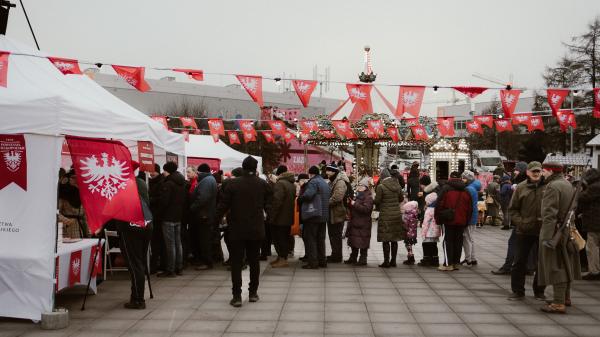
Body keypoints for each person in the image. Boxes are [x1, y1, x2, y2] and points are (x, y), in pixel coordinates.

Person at [216, 156, 272, 307]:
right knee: (254, 261)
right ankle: (253, 293)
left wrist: (216, 219)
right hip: (256, 228)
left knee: (236, 262)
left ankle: (237, 296)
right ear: (255, 168)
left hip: (236, 229)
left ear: (243, 167)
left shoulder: (232, 184)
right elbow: (270, 205)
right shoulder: (262, 184)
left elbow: (223, 206)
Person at [538, 162, 581, 313]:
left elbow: (549, 213)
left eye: (543, 171)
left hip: (555, 232)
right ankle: (565, 297)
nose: (542, 173)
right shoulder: (567, 184)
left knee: (556, 267)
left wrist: (547, 237)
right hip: (565, 230)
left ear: (550, 171)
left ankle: (558, 302)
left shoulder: (553, 186)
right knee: (565, 264)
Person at [507, 161, 547, 301]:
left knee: (542, 263)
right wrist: (521, 223)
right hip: (524, 230)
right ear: (528, 172)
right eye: (533, 171)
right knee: (519, 261)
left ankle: (539, 291)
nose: (536, 173)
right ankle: (518, 291)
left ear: (542, 171)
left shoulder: (548, 187)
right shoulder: (521, 187)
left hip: (543, 230)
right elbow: (513, 209)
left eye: (538, 171)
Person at [119, 161, 152, 309]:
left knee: (134, 264)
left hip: (130, 226)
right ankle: (137, 296)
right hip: (146, 224)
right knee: (140, 262)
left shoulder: (123, 184)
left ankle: (138, 299)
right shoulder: (141, 183)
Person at [435, 171, 472, 271]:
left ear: (450, 177)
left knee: (448, 241)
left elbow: (439, 204)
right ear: (460, 178)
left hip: (449, 219)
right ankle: (456, 263)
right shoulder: (466, 190)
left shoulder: (446, 189)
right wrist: (466, 221)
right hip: (462, 220)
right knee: (458, 241)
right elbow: (470, 208)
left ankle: (448, 264)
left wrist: (438, 219)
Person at [157, 161, 186, 277]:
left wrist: (159, 213)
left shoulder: (168, 184)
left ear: (167, 170)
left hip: (168, 217)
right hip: (178, 216)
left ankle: (170, 269)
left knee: (170, 245)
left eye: (164, 170)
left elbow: (164, 202)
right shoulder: (181, 182)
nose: (162, 173)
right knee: (178, 243)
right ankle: (179, 267)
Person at [299, 166, 330, 269]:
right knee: (321, 239)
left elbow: (308, 195)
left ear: (311, 174)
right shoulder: (324, 183)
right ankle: (322, 261)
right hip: (324, 215)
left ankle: (313, 262)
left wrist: (300, 198)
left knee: (311, 238)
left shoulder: (313, 182)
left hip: (314, 215)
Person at [374, 168, 404, 268]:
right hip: (396, 214)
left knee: (386, 238)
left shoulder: (381, 186)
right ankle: (393, 261)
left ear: (382, 176)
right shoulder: (397, 185)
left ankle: (386, 261)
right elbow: (401, 198)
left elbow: (377, 200)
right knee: (394, 239)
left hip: (386, 214)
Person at [189, 163, 217, 270]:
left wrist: (193, 207)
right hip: (206, 214)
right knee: (204, 239)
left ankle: (207, 262)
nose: (197, 174)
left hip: (204, 215)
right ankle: (206, 260)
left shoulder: (206, 181)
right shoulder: (210, 179)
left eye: (198, 172)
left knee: (204, 240)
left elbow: (202, 198)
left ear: (201, 172)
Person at [268, 165, 296, 268]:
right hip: (287, 216)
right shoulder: (291, 183)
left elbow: (277, 201)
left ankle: (282, 259)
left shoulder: (280, 184)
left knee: (279, 239)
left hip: (279, 218)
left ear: (278, 174)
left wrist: (272, 216)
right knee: (284, 237)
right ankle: (281, 257)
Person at [344, 177, 373, 266]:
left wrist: (354, 204)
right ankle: (353, 257)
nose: (358, 187)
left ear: (365, 187)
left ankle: (363, 259)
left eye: (360, 185)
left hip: (363, 223)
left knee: (363, 242)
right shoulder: (359, 195)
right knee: (353, 241)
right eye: (358, 185)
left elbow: (366, 209)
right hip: (355, 221)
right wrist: (349, 203)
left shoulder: (368, 197)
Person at [577, 168, 600, 280]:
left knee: (592, 246)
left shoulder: (595, 187)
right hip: (596, 221)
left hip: (595, 222)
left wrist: (582, 189)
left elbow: (581, 197)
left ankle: (594, 271)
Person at [325, 164, 349, 263]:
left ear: (334, 172)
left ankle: (337, 256)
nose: (327, 173)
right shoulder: (332, 181)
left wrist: (325, 203)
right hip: (333, 212)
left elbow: (337, 197)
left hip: (338, 212)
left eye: (329, 171)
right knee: (332, 234)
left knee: (336, 235)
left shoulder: (340, 182)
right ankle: (335, 254)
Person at [58, 170, 89, 239]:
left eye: (78, 178)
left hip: (81, 229)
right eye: (73, 178)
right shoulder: (63, 194)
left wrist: (88, 233)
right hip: (67, 230)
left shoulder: (81, 194)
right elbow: (56, 212)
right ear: (68, 179)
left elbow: (84, 215)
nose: (76, 180)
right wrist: (66, 220)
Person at [461, 170, 481, 266]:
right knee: (470, 238)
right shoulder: (473, 188)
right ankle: (472, 258)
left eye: (464, 178)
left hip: (469, 217)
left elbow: (467, 205)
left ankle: (469, 258)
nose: (462, 180)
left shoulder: (469, 189)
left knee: (467, 238)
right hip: (473, 216)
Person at [148, 164, 165, 274]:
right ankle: (155, 264)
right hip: (154, 215)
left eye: (152, 171)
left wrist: (150, 200)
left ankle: (157, 264)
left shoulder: (160, 183)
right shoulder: (152, 181)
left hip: (158, 216)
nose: (150, 173)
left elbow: (160, 199)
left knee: (157, 241)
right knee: (156, 241)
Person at [419, 192, 441, 267]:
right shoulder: (437, 209)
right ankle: (435, 260)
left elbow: (426, 223)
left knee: (425, 245)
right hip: (435, 232)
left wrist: (423, 233)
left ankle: (426, 259)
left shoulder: (429, 210)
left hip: (428, 233)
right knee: (434, 246)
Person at [402, 201, 419, 265]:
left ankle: (411, 258)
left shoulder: (408, 215)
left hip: (408, 233)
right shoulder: (414, 214)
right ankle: (411, 257)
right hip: (413, 234)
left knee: (408, 246)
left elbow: (405, 225)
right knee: (409, 245)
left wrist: (402, 224)